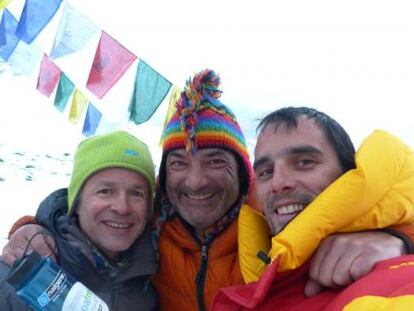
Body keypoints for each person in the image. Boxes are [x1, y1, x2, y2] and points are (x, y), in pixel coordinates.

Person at [2, 72, 414, 311]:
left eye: (216, 162)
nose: (195, 181)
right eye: (178, 163)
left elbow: (368, 202)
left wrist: (400, 239)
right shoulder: (147, 232)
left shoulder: (274, 224)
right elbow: (89, 209)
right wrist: (35, 227)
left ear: (244, 174)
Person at [212, 107, 414, 310]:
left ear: (347, 174)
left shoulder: (393, 282)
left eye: (304, 162)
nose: (278, 182)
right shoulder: (260, 270)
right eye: (266, 171)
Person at [0, 131, 158, 310]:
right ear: (76, 202)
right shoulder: (20, 279)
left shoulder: (153, 280)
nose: (122, 207)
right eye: (105, 191)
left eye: (136, 194)